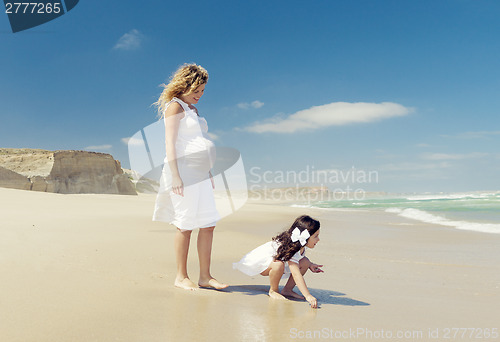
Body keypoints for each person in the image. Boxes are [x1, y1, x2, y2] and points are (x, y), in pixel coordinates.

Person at [153, 63, 228, 291]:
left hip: (200, 173)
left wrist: (208, 171)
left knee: (208, 224)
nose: (200, 95)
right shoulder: (174, 107)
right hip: (183, 172)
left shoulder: (193, 111)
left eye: (203, 91)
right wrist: (175, 175)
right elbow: (170, 142)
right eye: (196, 90)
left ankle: (205, 276)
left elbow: (199, 143)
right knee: (185, 225)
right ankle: (181, 276)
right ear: (184, 85)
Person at [233, 215, 323, 308]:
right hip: (263, 264)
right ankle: (273, 290)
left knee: (305, 262)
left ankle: (287, 290)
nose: (318, 239)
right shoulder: (292, 246)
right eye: (316, 236)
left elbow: (298, 258)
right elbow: (296, 274)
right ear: (306, 237)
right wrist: (308, 295)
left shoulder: (299, 245)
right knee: (278, 265)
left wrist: (310, 264)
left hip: (278, 262)